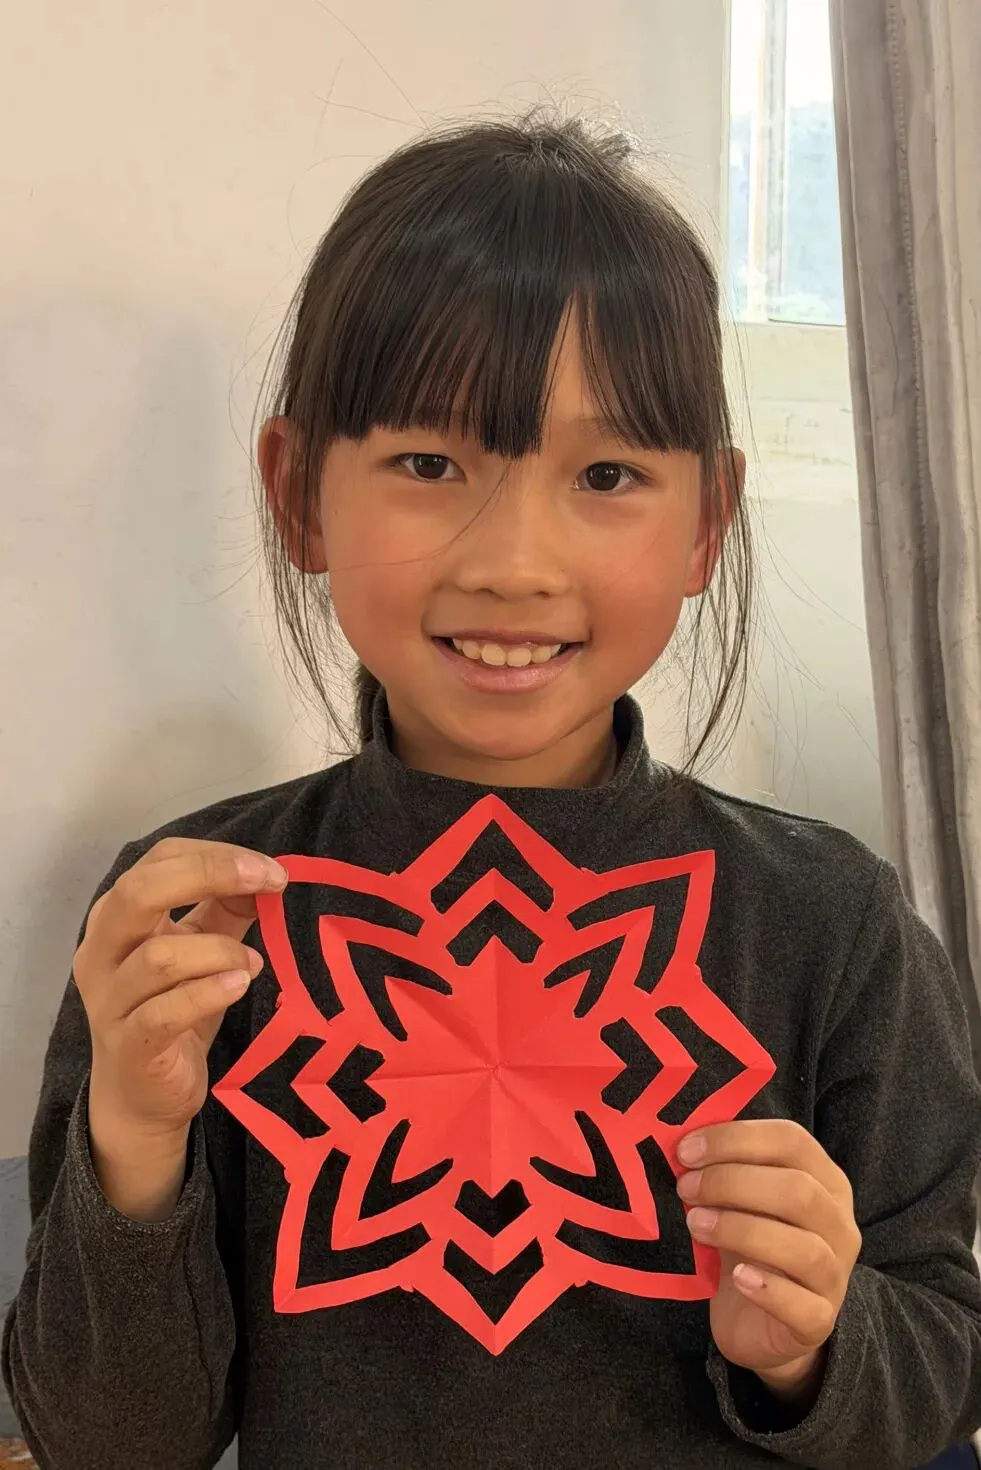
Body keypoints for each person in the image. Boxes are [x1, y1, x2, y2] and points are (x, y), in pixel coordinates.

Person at [3, 106, 981, 1470]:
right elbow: (111, 1442)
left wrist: (819, 1338)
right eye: (428, 464)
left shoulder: (832, 924)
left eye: (607, 474)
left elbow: (940, 1365)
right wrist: (135, 1135)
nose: (514, 562)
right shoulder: (191, 930)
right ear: (299, 493)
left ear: (707, 521)